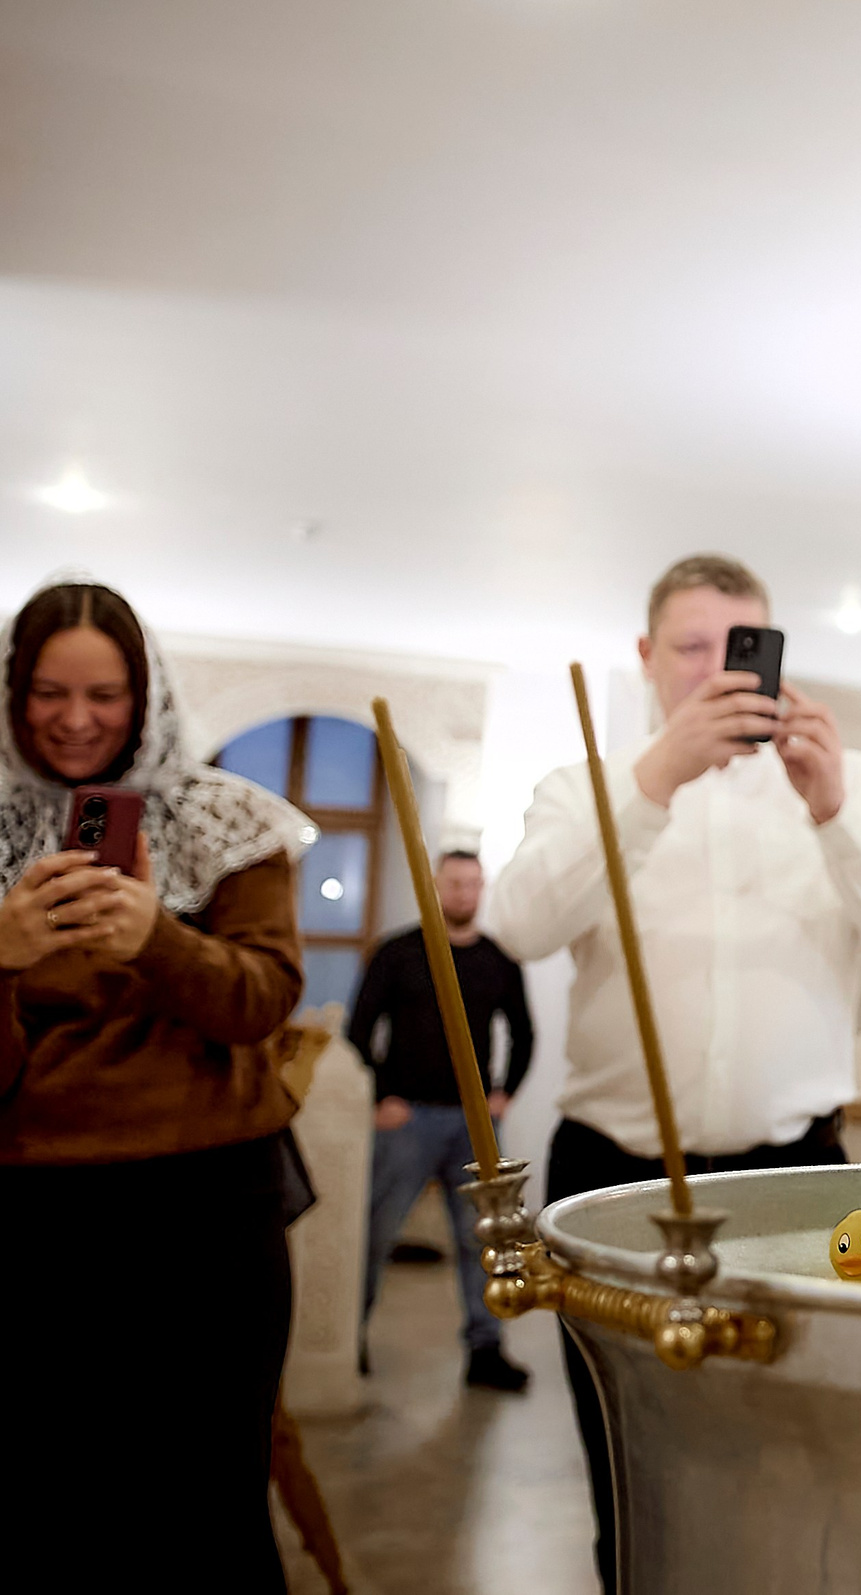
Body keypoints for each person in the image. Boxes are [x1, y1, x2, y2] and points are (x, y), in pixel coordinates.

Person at [481, 552, 861, 1591]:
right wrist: (654, 780)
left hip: (796, 1175)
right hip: (611, 1174)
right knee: (629, 1463)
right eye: (691, 648)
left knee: (797, 1455)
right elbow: (515, 925)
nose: (715, 671)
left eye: (739, 648)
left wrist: (834, 808)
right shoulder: (587, 788)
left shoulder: (848, 783)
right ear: (647, 658)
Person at [0, 581, 308, 1591]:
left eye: (106, 694)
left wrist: (156, 940)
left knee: (207, 1503)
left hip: (205, 1212)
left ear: (147, 694)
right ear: (11, 692)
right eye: (48, 692)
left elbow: (259, 1001)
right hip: (32, 1215)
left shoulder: (227, 820)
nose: (77, 721)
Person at [348, 848, 535, 1392]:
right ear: (435, 886)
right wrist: (382, 1096)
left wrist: (507, 1092)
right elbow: (360, 1030)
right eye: (454, 884)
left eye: (473, 884)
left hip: (474, 1125)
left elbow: (524, 1033)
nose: (463, 894)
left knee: (484, 1240)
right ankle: (348, 1337)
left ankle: (485, 1349)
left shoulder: (499, 959)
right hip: (407, 1118)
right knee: (375, 1233)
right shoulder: (399, 953)